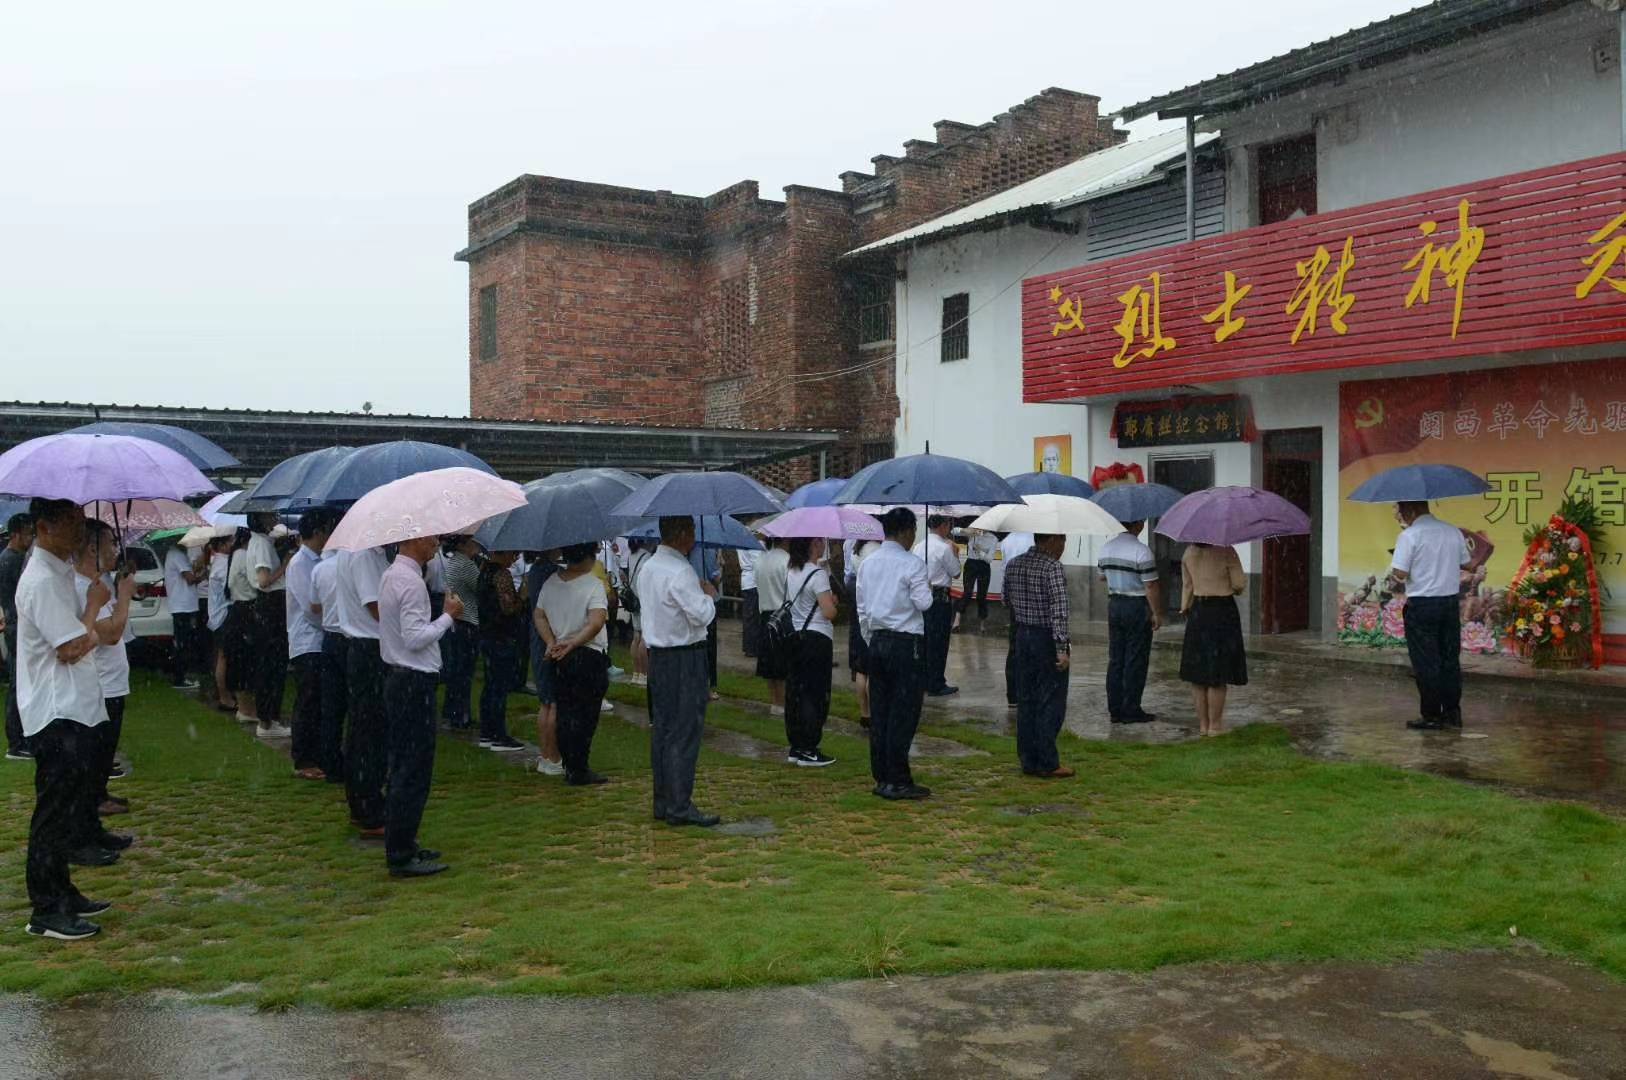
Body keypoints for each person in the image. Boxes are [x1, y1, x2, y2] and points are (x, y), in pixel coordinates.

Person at [16, 498, 114, 940]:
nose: (81, 533)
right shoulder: (40, 580)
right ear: (44, 527)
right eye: (72, 524)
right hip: (56, 711)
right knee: (53, 814)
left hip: (72, 707)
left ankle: (62, 891)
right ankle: (46, 909)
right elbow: (70, 648)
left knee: (69, 805)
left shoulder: (55, 574)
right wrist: (94, 605)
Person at [378, 534, 463, 879]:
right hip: (412, 680)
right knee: (412, 769)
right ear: (413, 540)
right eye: (431, 538)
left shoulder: (393, 575)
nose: (436, 544)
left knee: (405, 765)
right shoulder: (408, 581)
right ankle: (400, 851)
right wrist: (448, 617)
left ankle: (405, 842)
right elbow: (414, 638)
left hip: (401, 678)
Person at [635, 516, 720, 827]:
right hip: (685, 657)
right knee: (684, 732)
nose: (695, 537)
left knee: (664, 729)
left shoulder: (649, 567)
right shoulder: (681, 570)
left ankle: (664, 799)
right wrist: (709, 596)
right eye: (693, 531)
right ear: (683, 533)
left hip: (660, 656)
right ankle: (680, 804)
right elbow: (700, 616)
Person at [857, 508, 933, 800]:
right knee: (904, 712)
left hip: (877, 641)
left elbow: (862, 607)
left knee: (881, 711)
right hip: (906, 644)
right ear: (905, 531)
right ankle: (899, 778)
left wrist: (870, 638)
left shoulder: (868, 563)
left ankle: (882, 775)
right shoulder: (912, 563)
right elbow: (924, 603)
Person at [71, 519, 137, 849]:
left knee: (100, 763)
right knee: (91, 764)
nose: (116, 549)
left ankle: (94, 826)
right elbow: (109, 634)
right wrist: (124, 597)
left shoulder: (98, 582)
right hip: (98, 686)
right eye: (111, 543)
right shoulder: (82, 586)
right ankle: (85, 832)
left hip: (112, 683)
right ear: (93, 548)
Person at [1390, 501, 1476, 731]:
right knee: (1449, 659)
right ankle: (1452, 714)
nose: (1400, 517)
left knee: (1426, 662)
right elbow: (1468, 564)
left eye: (1400, 512)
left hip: (1422, 605)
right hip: (1449, 604)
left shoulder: (1409, 536)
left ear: (1411, 511)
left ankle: (1430, 715)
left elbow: (1400, 572)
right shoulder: (1452, 531)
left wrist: (1401, 571)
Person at [536, 543, 612, 786]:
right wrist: (574, 642)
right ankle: (578, 766)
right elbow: (596, 622)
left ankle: (569, 762)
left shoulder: (551, 582)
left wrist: (551, 641)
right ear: (588, 556)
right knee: (585, 714)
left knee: (566, 711)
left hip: (560, 654)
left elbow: (539, 614)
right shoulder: (592, 585)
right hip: (587, 655)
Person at [1005, 533, 1075, 778]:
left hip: (1022, 635)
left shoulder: (1014, 564)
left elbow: (1006, 599)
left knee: (1027, 699)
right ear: (1052, 541)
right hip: (1045, 637)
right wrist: (1061, 648)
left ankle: (1028, 758)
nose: (1064, 547)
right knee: (1051, 700)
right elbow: (1059, 610)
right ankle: (1047, 760)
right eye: (1063, 541)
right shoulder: (1053, 567)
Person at [336, 546, 391, 837]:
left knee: (367, 729)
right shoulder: (365, 553)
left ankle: (365, 800)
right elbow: (376, 606)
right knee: (368, 730)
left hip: (367, 646)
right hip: (369, 646)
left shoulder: (368, 552)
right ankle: (367, 806)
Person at [1179, 542, 1248, 736]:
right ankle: (1215, 726)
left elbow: (1187, 585)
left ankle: (1202, 725)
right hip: (1222, 611)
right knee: (1218, 671)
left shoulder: (1189, 552)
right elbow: (1239, 584)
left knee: (1198, 673)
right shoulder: (1226, 551)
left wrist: (1185, 606)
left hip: (1198, 611)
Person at [1099, 520, 1163, 724]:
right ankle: (1131, 708)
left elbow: (1101, 577)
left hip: (1115, 604)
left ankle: (1115, 709)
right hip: (1136, 605)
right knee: (1135, 659)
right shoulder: (1142, 552)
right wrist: (1156, 613)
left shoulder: (1106, 548)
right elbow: (1151, 586)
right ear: (1137, 525)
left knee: (1116, 658)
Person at [783, 537, 838, 767]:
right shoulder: (817, 574)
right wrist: (833, 601)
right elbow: (828, 612)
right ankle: (809, 746)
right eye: (818, 540)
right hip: (817, 638)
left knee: (796, 692)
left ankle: (797, 745)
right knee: (815, 695)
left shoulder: (792, 570)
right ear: (812, 545)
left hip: (796, 636)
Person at [285, 512, 331, 780]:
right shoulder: (300, 563)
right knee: (308, 701)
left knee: (319, 701)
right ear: (318, 532)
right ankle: (303, 759)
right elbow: (311, 609)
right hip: (307, 640)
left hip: (320, 641)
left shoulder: (319, 561)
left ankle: (318, 755)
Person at [476, 550, 527, 752]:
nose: (514, 558)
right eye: (512, 554)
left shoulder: (483, 571)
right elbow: (508, 607)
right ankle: (498, 734)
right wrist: (522, 596)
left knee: (490, 686)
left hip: (487, 634)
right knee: (499, 687)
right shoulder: (501, 575)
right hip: (501, 636)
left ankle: (487, 732)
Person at [247, 514, 292, 738]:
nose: (274, 517)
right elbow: (264, 580)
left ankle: (267, 716)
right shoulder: (262, 543)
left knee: (269, 663)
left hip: (267, 606)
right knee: (272, 663)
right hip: (271, 603)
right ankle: (268, 719)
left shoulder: (260, 541)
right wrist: (284, 566)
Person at [525, 549, 565, 776]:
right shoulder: (552, 574)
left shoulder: (534, 571)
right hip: (550, 636)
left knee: (545, 701)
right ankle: (554, 756)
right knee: (554, 700)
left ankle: (545, 754)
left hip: (537, 636)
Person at [913, 515, 961, 697]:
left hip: (921, 595)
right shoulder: (944, 547)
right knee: (939, 642)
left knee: (924, 640)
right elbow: (956, 573)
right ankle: (936, 682)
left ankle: (924, 679)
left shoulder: (919, 546)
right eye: (948, 524)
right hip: (940, 598)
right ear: (942, 526)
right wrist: (955, 554)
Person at [311, 545, 348, 784]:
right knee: (359, 705)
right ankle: (357, 761)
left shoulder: (320, 568)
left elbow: (314, 606)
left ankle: (331, 763)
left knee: (331, 706)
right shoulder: (353, 568)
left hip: (330, 639)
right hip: (351, 638)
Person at [438, 536, 481, 729]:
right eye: (472, 542)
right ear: (462, 545)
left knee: (457, 670)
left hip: (455, 622)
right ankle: (460, 715)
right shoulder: (465, 564)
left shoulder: (452, 560)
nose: (476, 546)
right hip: (467, 620)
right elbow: (481, 587)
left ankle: (453, 710)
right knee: (463, 672)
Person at [2, 513, 35, 761]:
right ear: (15, 534)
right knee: (18, 682)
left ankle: (21, 737)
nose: (30, 537)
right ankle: (16, 741)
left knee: (21, 681)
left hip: (16, 623)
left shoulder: (13, 558)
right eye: (27, 533)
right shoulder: (11, 560)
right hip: (16, 624)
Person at [224, 528, 261, 728]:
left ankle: (243, 708)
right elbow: (257, 583)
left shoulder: (235, 555)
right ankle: (246, 709)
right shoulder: (243, 555)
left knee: (238, 660)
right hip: (246, 610)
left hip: (238, 610)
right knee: (245, 661)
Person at [844, 538, 880, 728]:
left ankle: (864, 712)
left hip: (859, 608)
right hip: (872, 609)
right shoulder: (877, 550)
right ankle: (874, 711)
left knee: (861, 668)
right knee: (873, 669)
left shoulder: (856, 548)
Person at [161, 539, 206, 690]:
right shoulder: (177, 554)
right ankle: (180, 678)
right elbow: (190, 579)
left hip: (181, 605)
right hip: (182, 606)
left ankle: (180, 674)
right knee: (183, 643)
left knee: (182, 642)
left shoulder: (174, 554)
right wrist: (204, 574)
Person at [998, 531, 1035, 710]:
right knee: (1034, 648)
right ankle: (1029, 692)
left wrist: (1006, 598)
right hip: (1034, 601)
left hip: (1015, 599)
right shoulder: (1034, 538)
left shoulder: (1006, 541)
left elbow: (1005, 570)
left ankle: (1013, 694)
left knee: (1014, 647)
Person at [754, 537, 790, 715]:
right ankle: (782, 704)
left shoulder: (761, 559)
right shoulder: (787, 561)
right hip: (782, 614)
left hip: (765, 613)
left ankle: (775, 702)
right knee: (782, 661)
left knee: (770, 662)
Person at [204, 533, 235, 714]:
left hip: (219, 616)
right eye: (230, 541)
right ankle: (224, 696)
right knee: (223, 657)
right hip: (222, 616)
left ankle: (225, 694)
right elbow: (230, 587)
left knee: (223, 656)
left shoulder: (219, 562)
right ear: (222, 545)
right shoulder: (222, 564)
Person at [688, 540, 721, 698]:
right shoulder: (707, 549)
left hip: (689, 604)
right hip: (706, 603)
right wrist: (720, 567)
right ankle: (707, 685)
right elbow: (715, 577)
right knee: (708, 647)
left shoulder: (685, 553)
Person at [627, 539, 654, 686]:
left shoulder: (632, 555)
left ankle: (636, 673)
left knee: (636, 636)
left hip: (633, 601)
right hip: (644, 600)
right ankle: (644, 674)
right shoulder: (648, 558)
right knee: (644, 638)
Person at [957, 528, 996, 628]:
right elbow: (953, 531)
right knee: (967, 593)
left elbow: (989, 559)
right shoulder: (972, 533)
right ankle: (957, 621)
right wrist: (964, 531)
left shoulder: (993, 538)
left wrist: (979, 551)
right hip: (971, 563)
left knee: (981, 595)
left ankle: (982, 624)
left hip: (984, 566)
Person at [738, 540, 761, 660]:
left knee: (749, 616)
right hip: (753, 581)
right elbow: (758, 562)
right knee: (753, 616)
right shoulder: (751, 539)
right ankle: (752, 647)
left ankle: (749, 646)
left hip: (747, 580)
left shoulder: (742, 537)